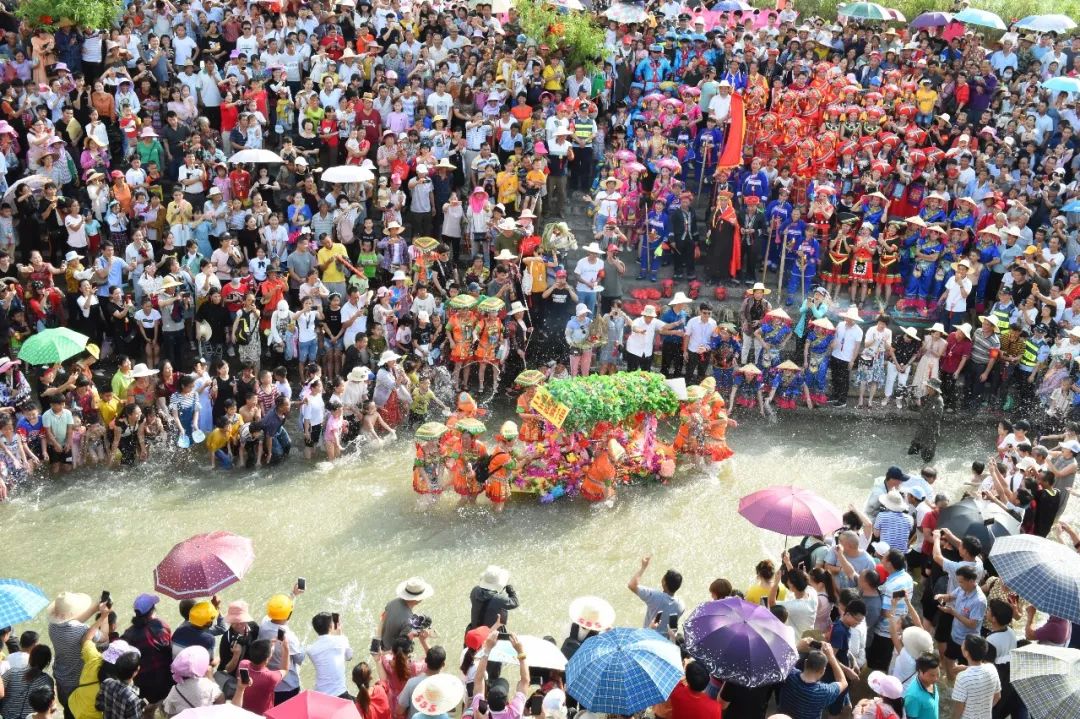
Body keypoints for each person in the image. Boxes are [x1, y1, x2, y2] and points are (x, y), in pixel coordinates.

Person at [777, 646, 847, 719]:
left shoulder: (789, 675)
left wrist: (798, 647)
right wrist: (832, 658)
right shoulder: (824, 692)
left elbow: (781, 657)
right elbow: (843, 682)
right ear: (823, 671)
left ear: (806, 662)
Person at [627, 556, 684, 630]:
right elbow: (673, 627)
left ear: (664, 583)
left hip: (648, 637)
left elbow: (632, 585)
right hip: (663, 641)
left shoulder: (654, 596)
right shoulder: (681, 605)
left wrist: (643, 567)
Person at [306, 612, 354, 699]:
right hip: (340, 693)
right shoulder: (341, 640)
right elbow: (349, 656)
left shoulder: (310, 649)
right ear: (331, 626)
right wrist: (340, 633)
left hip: (320, 694)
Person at [951, 635, 1000, 719]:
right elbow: (998, 696)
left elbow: (959, 708)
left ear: (966, 653)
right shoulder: (992, 668)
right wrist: (983, 710)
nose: (961, 646)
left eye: (963, 645)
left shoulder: (962, 677)